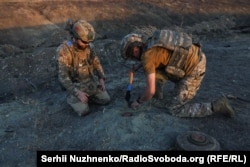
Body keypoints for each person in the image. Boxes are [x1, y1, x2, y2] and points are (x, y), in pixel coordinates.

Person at [120, 30, 235, 118]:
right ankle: (158, 96)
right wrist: (138, 66)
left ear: (134, 50)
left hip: (194, 68)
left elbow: (150, 90)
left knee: (174, 109)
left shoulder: (146, 58)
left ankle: (217, 106)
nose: (133, 58)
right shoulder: (151, 42)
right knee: (155, 71)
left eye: (131, 55)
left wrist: (138, 101)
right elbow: (155, 57)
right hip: (194, 55)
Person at [57, 19, 110, 116]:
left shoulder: (89, 46)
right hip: (75, 85)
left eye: (89, 42)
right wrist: (77, 93)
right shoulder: (64, 50)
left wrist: (101, 78)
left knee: (105, 99)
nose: (87, 44)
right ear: (75, 38)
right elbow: (62, 77)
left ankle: (89, 96)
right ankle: (72, 99)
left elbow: (96, 62)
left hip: (89, 81)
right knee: (83, 110)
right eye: (84, 42)